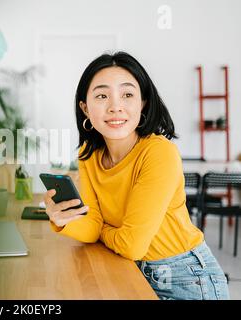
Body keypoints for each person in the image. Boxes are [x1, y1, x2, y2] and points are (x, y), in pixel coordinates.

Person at [44, 52, 230, 300]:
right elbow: (92, 226)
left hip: (188, 278)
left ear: (142, 102)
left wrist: (102, 230)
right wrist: (62, 219)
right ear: (85, 108)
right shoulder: (88, 154)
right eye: (101, 96)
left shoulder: (158, 152)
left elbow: (131, 244)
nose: (115, 106)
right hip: (131, 271)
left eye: (127, 94)